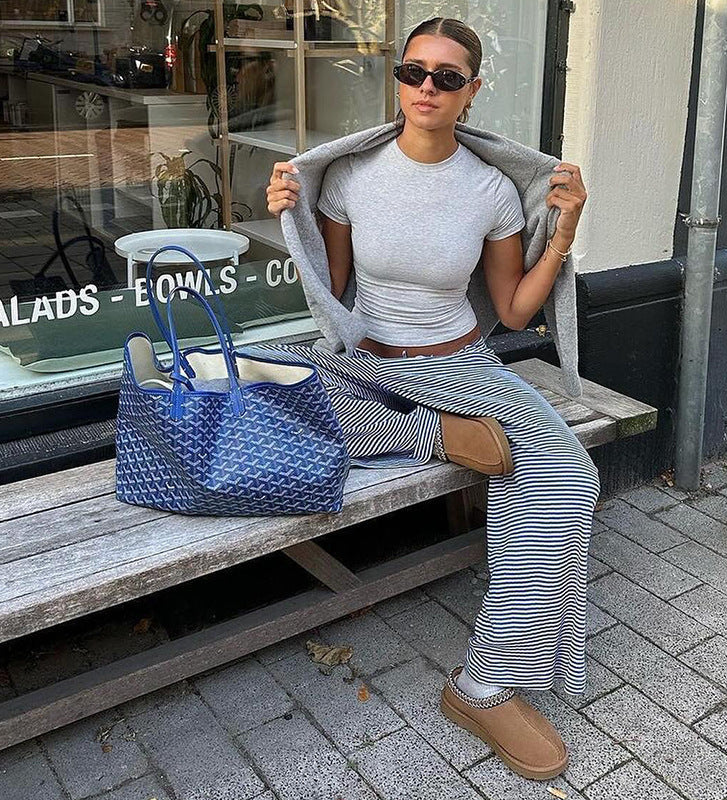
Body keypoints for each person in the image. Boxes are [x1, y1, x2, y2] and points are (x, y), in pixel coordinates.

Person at [263, 16, 599, 782]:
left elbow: (514, 311)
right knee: (271, 382)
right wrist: (292, 218)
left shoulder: (489, 191)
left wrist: (563, 231)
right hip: (369, 366)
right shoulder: (351, 177)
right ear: (397, 77)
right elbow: (334, 296)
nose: (426, 88)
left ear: (471, 91)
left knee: (569, 476)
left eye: (447, 77)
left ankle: (483, 685)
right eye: (414, 71)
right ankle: (436, 435)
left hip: (461, 366)